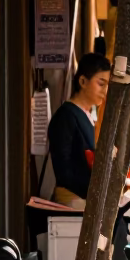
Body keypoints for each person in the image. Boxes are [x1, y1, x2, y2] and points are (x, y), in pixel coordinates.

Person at [47, 51, 111, 207]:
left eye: (108, 85)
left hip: (87, 195)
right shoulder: (66, 116)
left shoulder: (86, 115)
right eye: (101, 84)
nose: (105, 90)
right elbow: (64, 170)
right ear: (83, 81)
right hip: (73, 198)